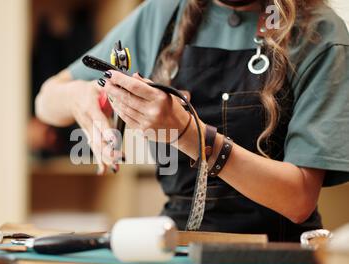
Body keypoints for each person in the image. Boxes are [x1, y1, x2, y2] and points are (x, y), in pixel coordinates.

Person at [35, 0, 349, 241]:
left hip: (276, 255)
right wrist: (78, 96)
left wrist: (190, 135)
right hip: (178, 246)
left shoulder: (319, 34)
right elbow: (46, 101)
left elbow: (298, 200)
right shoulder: (166, 12)